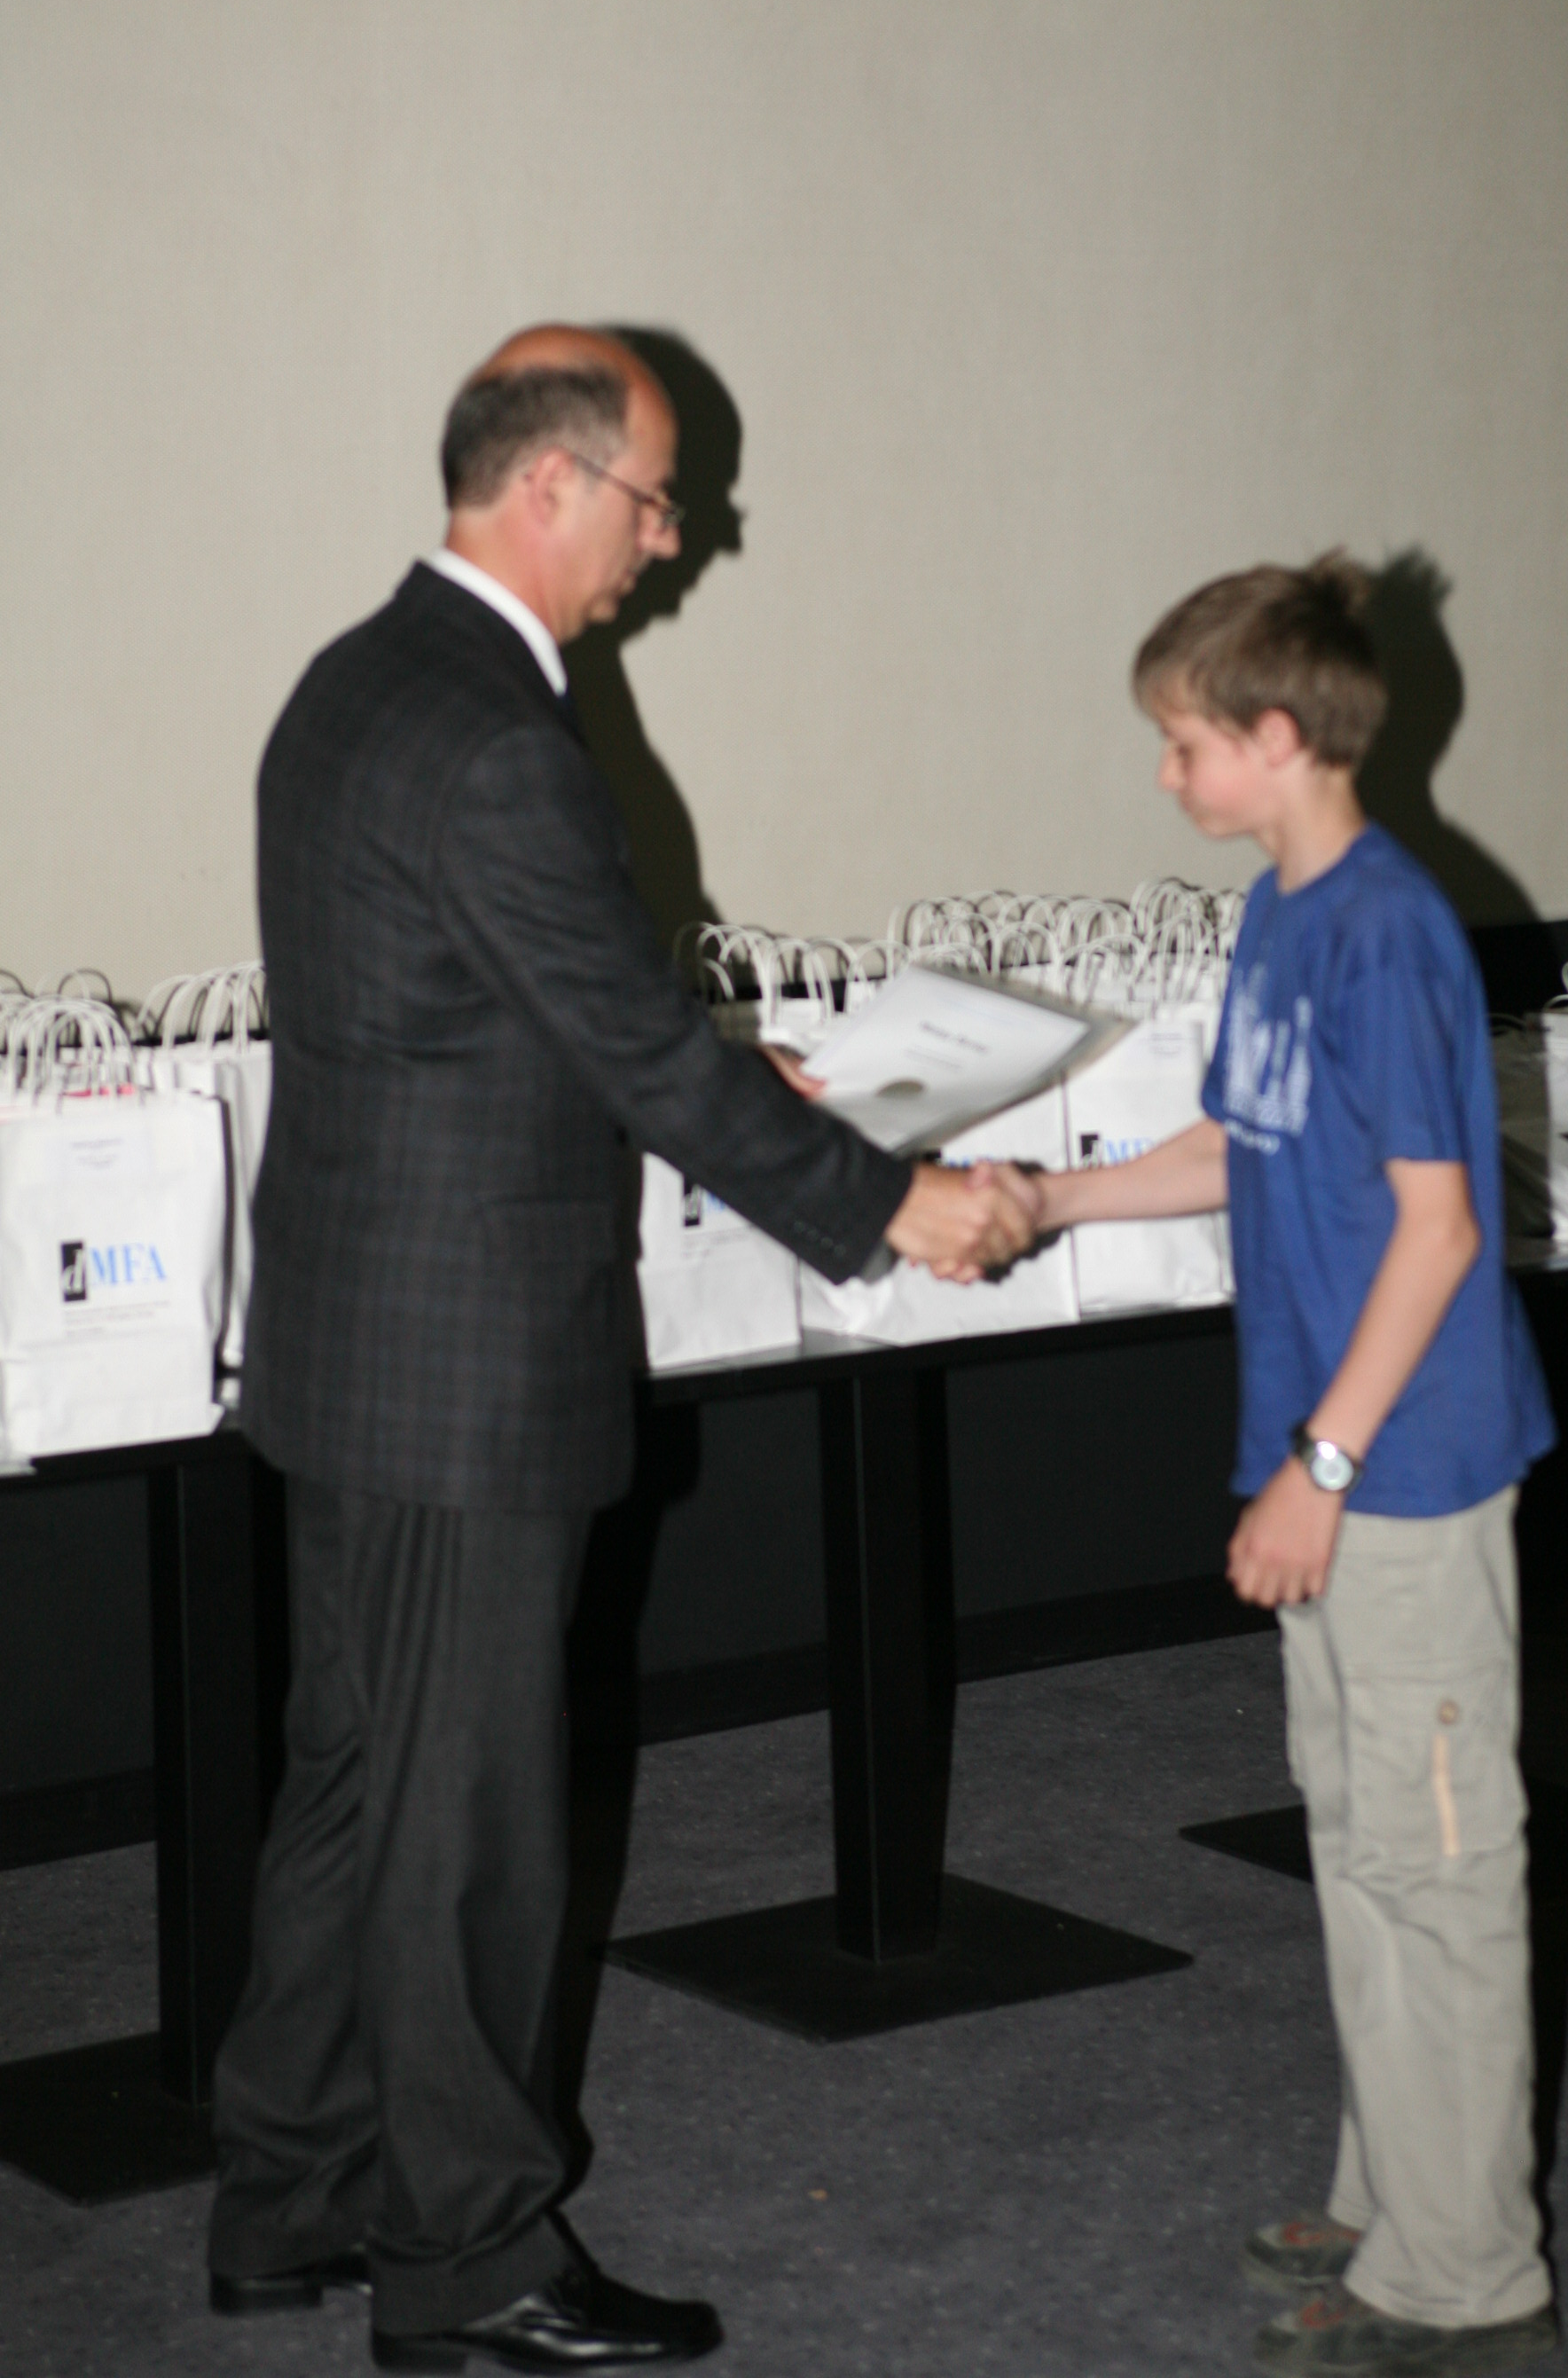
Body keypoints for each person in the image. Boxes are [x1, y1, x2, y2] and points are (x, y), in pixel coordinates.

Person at [206, 326, 1037, 2374]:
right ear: (551, 486)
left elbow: (507, 1008)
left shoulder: (355, 681)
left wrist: (735, 1072)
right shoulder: (499, 736)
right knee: (468, 1824)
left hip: (354, 1342)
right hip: (464, 1382)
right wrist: (889, 1202)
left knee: (352, 1782)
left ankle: (291, 2196)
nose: (676, 541)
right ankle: (468, 2262)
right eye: (658, 501)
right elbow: (633, 1051)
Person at [1030, 559, 1559, 2374]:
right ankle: (1398, 2194)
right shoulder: (1280, 910)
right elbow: (1238, 1140)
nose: (1166, 774)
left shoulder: (1390, 931)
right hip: (1333, 1461)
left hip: (1403, 1471)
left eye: (1183, 743)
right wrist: (1052, 1198)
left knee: (1439, 1865)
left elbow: (1441, 1231)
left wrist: (1318, 1468)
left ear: (1276, 738)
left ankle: (1467, 2285)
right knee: (1362, 1839)